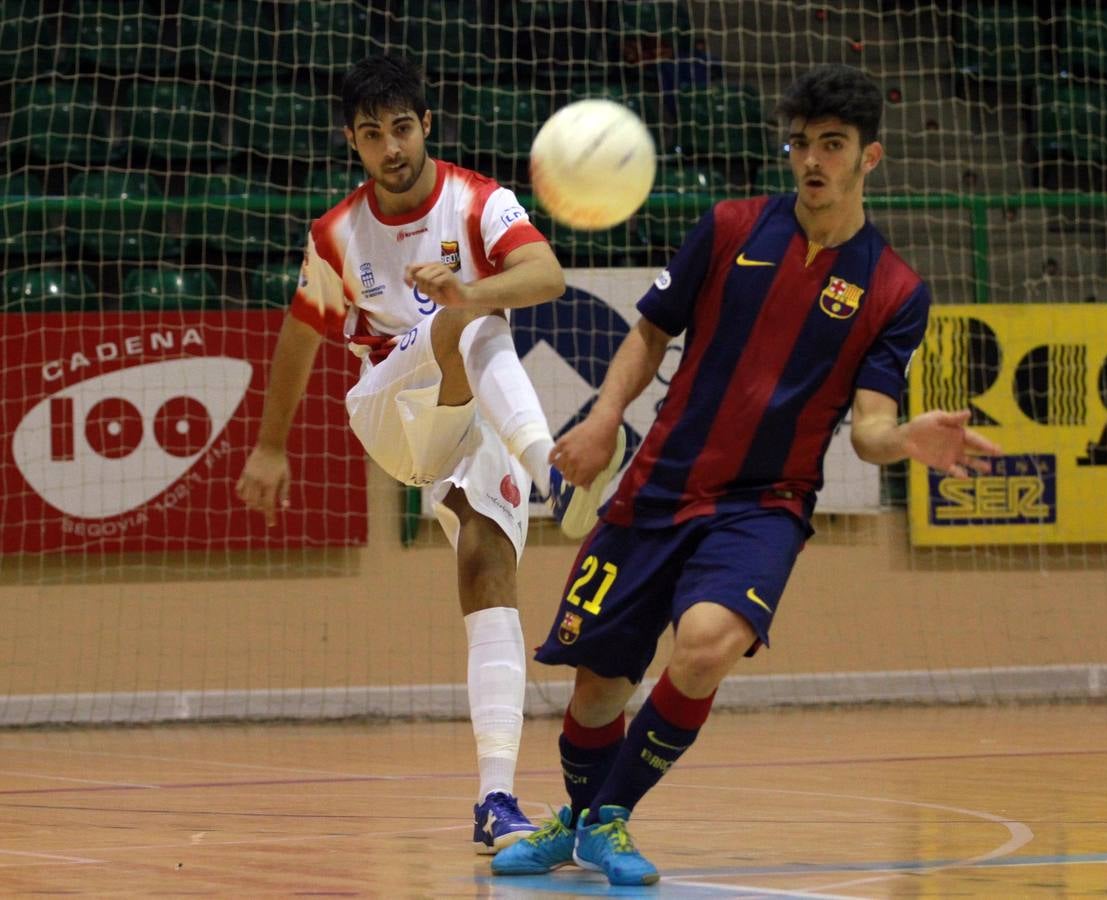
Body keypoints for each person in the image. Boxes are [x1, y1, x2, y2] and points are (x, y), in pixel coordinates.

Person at [491, 63, 1003, 886]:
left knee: (704, 648)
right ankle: (579, 824)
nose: (811, 161)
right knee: (595, 688)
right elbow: (650, 332)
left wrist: (906, 436)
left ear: (868, 157)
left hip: (762, 506)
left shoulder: (896, 289)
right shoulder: (729, 226)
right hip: (657, 483)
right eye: (799, 143)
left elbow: (868, 430)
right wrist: (598, 419)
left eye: (831, 146)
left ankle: (608, 820)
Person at [235, 54, 625, 855]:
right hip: (385, 409)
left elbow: (546, 274)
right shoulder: (336, 233)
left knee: (490, 579)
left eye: (402, 128)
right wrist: (269, 447)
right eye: (373, 134)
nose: (391, 147)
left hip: (466, 424)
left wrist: (464, 290)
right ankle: (552, 464)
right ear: (353, 141)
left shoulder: (479, 200)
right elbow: (300, 337)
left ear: (427, 126)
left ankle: (494, 800)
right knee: (474, 320)